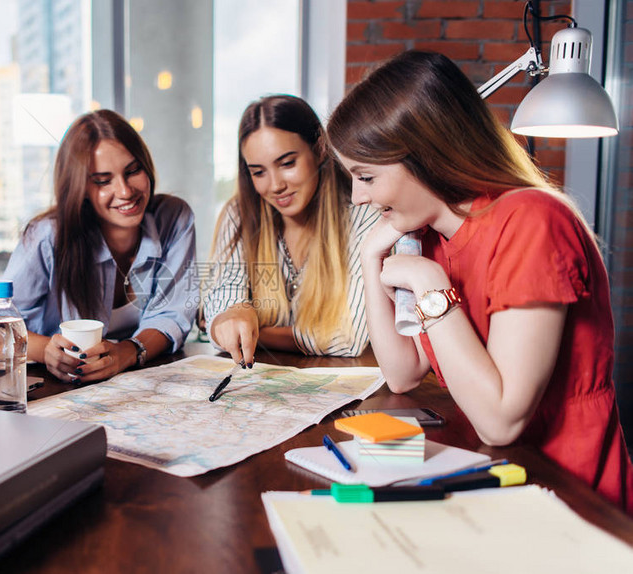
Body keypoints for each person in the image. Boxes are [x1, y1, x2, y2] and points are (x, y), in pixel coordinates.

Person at [326, 50, 633, 513]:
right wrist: (371, 257)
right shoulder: (428, 236)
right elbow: (402, 373)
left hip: (571, 494)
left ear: (425, 155)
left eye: (366, 176)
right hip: (496, 478)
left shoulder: (532, 221)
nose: (358, 197)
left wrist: (430, 286)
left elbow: (500, 421)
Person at [0, 109, 197, 383]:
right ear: (82, 189)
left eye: (133, 171)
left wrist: (127, 352)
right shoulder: (49, 236)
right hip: (60, 388)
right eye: (103, 181)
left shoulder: (174, 218)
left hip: (136, 384)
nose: (125, 191)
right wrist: (46, 351)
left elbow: (172, 315)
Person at [202, 95, 379, 365]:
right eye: (259, 172)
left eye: (287, 164)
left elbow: (346, 338)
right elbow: (221, 316)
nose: (275, 186)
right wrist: (229, 318)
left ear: (319, 149)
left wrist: (252, 331)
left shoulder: (363, 214)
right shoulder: (239, 214)